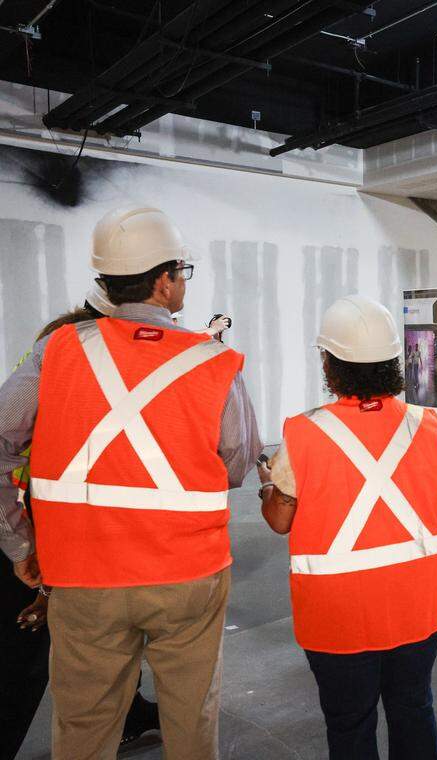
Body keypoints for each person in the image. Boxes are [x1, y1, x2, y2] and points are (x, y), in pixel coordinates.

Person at [0, 206, 261, 760]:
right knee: (191, 722)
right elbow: (237, 464)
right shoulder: (214, 362)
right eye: (182, 272)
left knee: (85, 727)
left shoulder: (59, 349)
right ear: (165, 281)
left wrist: (20, 540)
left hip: (81, 573)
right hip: (188, 575)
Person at [258, 295, 437, 760]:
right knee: (414, 707)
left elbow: (279, 519)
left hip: (338, 614)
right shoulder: (428, 426)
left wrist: (267, 486)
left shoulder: (305, 434)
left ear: (330, 363)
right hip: (418, 603)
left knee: (350, 724)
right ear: (393, 362)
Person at [0, 286, 163, 759]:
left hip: (54, 515)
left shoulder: (52, 346)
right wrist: (20, 545)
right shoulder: (69, 355)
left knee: (108, 626)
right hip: (32, 516)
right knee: (27, 651)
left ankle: (129, 713)